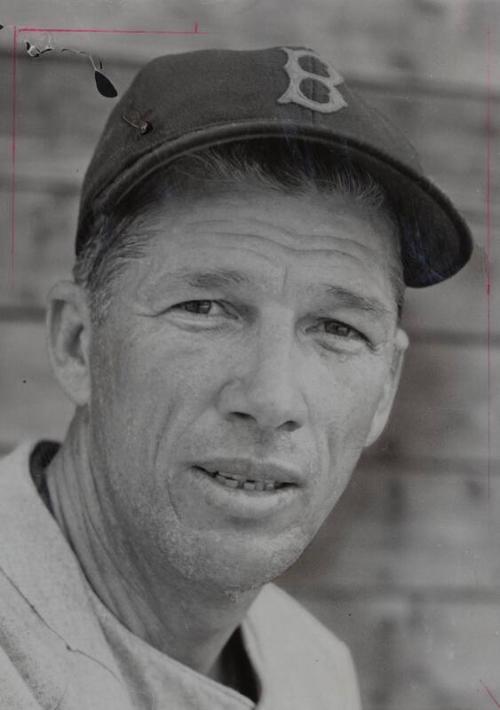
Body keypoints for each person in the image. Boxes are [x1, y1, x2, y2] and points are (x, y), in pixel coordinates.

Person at [0, 46, 472, 709]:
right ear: (78, 343)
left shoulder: (311, 668)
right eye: (204, 308)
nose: (272, 398)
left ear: (386, 388)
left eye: (338, 328)